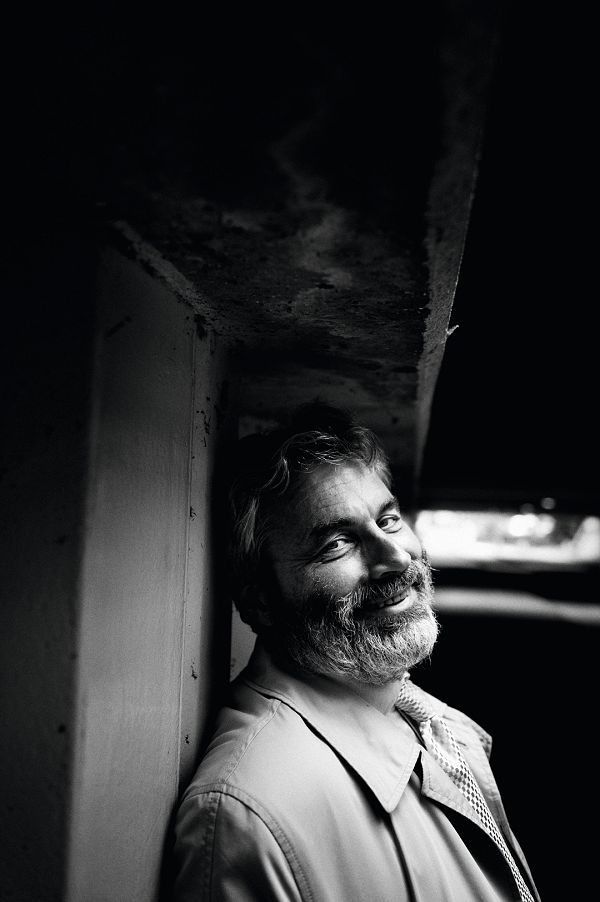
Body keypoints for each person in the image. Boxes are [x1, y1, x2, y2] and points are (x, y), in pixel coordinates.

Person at [173, 402, 540, 901]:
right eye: (337, 544)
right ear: (260, 600)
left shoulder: (432, 726)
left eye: (389, 519)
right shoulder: (248, 816)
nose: (395, 557)